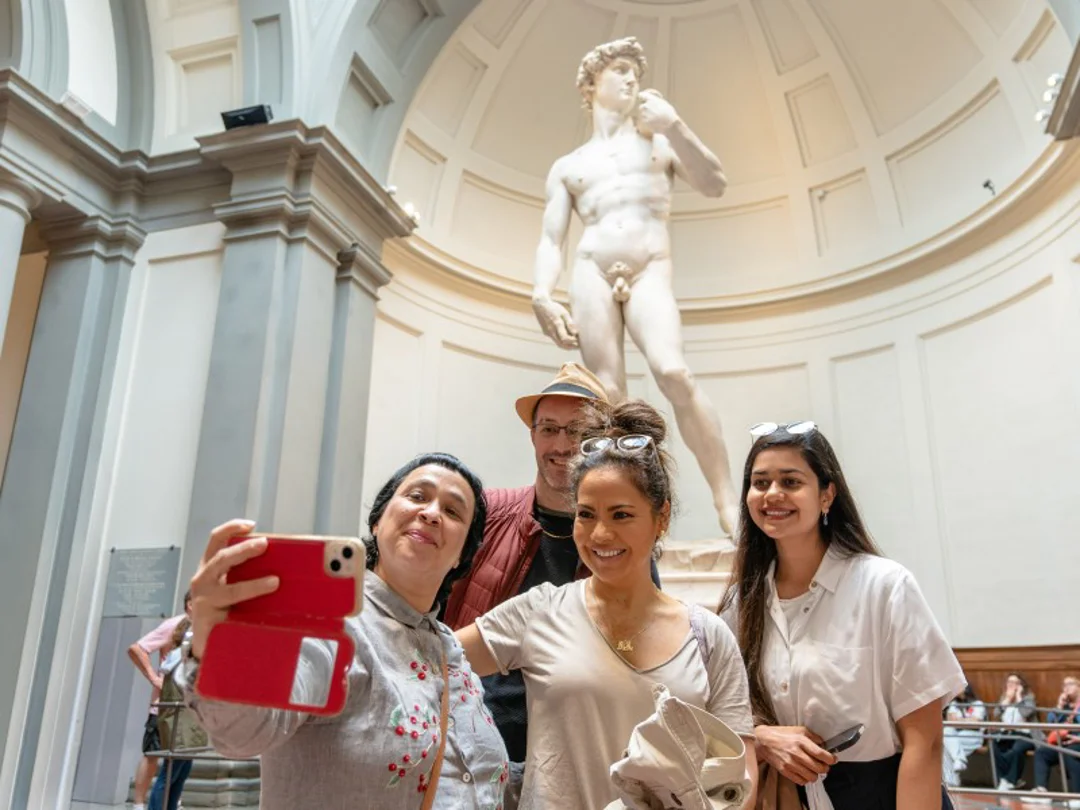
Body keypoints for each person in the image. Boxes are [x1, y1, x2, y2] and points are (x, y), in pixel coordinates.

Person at [456, 399, 757, 810]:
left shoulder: (707, 636)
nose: (599, 534)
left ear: (661, 517)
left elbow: (740, 775)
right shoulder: (540, 611)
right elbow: (430, 663)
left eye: (621, 515)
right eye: (586, 514)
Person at [178, 453, 509, 809]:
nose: (430, 513)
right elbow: (243, 732)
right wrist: (218, 647)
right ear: (379, 522)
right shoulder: (327, 627)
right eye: (417, 496)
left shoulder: (450, 650)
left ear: (463, 554)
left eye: (453, 511)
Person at [530, 36, 739, 536]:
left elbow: (714, 183)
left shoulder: (660, 141)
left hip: (649, 267)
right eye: (621, 69)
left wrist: (675, 124)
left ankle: (727, 500)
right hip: (591, 269)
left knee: (673, 372)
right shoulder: (570, 165)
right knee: (610, 399)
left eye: (634, 72)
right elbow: (551, 238)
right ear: (592, 83)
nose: (631, 79)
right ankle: (621, 516)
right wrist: (541, 292)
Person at [718, 420, 965, 810]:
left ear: (826, 495)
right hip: (788, 799)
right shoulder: (741, 603)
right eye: (760, 482)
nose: (773, 494)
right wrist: (763, 737)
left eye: (791, 481)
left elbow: (925, 741)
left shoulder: (883, 586)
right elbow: (723, 714)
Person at [127, 591, 192, 810]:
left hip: (186, 708)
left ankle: (173, 802)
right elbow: (137, 648)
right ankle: (138, 804)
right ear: (191, 604)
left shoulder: (202, 627)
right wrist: (155, 679)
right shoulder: (174, 625)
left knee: (180, 763)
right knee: (153, 755)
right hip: (164, 707)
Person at [147, 616, 206, 810]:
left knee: (179, 776)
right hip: (180, 724)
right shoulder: (180, 661)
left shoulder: (179, 660)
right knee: (170, 775)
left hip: (184, 724)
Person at [1027, 675, 1080, 805]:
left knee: (1070, 753)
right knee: (1042, 753)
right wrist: (1059, 706)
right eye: (1064, 685)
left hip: (1077, 742)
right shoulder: (1064, 706)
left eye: (1070, 684)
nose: (1066, 688)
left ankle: (1077, 795)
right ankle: (1042, 791)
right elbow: (1051, 722)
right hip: (1063, 742)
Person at [991, 671, 1037, 791]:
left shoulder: (1028, 698)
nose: (1011, 685)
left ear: (1020, 685)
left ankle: (1011, 780)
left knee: (1016, 750)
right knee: (995, 745)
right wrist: (1007, 700)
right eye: (1009, 682)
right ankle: (1004, 779)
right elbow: (996, 714)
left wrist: (1018, 698)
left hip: (1025, 734)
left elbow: (1026, 712)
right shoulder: (1004, 697)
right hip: (1007, 733)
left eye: (1014, 682)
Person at [942, 683, 986, 787]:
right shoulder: (954, 704)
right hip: (957, 735)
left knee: (947, 745)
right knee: (947, 732)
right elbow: (951, 721)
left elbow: (976, 723)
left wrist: (959, 721)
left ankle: (952, 779)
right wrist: (966, 721)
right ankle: (959, 760)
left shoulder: (977, 703)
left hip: (973, 736)